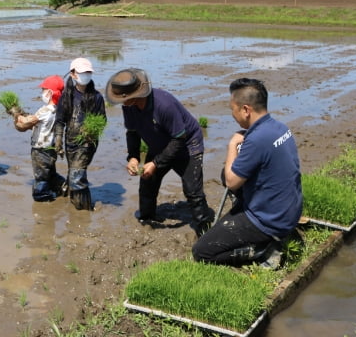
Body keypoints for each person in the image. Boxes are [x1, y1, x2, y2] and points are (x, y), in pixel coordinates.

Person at [193, 78, 303, 269]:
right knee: (226, 173)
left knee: (202, 251)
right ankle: (260, 229)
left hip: (270, 221)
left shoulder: (256, 139)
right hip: (290, 211)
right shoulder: (280, 128)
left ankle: (262, 250)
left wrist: (232, 144)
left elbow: (231, 182)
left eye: (232, 109)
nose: (232, 114)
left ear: (246, 110)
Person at [106, 68, 215, 232]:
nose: (120, 102)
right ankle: (147, 219)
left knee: (193, 191)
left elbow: (179, 139)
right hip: (159, 144)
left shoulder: (164, 105)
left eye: (123, 98)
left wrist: (156, 163)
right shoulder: (128, 106)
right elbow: (132, 132)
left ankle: (204, 229)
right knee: (147, 183)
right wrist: (133, 157)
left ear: (134, 96)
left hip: (187, 145)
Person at [54, 57, 106, 211]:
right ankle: (77, 205)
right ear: (73, 74)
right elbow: (60, 120)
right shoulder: (66, 96)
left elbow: (102, 121)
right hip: (70, 141)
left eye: (88, 72)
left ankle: (83, 209)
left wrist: (91, 132)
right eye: (83, 72)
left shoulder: (97, 97)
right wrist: (58, 139)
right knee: (74, 172)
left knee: (77, 175)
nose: (86, 75)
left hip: (87, 143)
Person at [14, 75, 67, 201]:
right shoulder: (59, 110)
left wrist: (16, 115)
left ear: (50, 93)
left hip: (40, 150)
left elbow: (27, 122)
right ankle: (64, 187)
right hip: (51, 148)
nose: (42, 92)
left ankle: (42, 197)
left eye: (43, 90)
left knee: (41, 176)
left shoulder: (45, 110)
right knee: (50, 173)